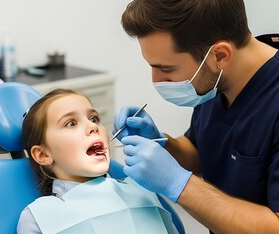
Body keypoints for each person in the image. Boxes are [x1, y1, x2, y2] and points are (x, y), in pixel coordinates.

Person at [114, 0, 279, 233]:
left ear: (219, 55)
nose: (156, 81)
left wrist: (180, 185)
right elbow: (201, 151)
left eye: (166, 68)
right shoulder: (216, 81)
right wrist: (163, 145)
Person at [16, 88, 178, 234]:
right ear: (43, 155)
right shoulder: (39, 217)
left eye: (93, 119)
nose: (93, 127)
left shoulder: (143, 190)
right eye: (71, 123)